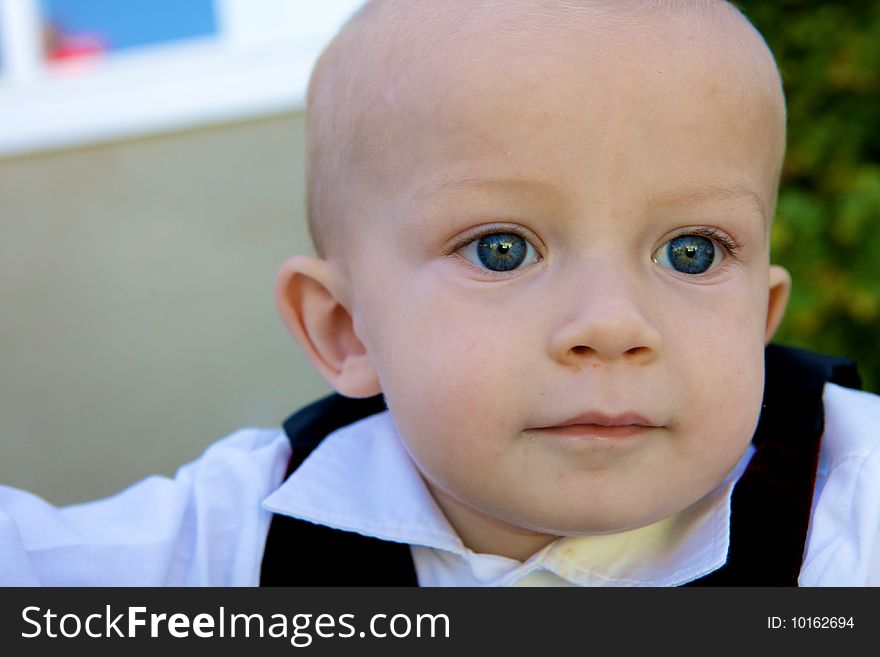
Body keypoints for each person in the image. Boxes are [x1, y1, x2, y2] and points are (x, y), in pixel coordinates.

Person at [2, 0, 879, 586]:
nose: (614, 324)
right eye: (502, 249)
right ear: (346, 330)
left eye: (691, 251)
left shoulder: (850, 507)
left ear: (762, 321)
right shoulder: (232, 540)